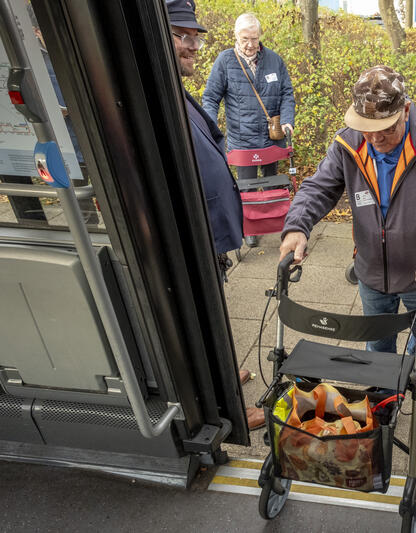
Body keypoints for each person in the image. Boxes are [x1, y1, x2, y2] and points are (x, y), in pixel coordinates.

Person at [279, 65, 416, 383]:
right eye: (367, 129)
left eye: (386, 128)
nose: (375, 138)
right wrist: (297, 226)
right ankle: (381, 380)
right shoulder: (348, 143)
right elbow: (318, 188)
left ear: (406, 110)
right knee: (377, 340)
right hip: (371, 268)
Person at [166, 0, 262, 429]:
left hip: (207, 234)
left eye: (196, 37)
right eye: (182, 35)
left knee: (215, 309)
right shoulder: (152, 91)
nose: (193, 46)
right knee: (197, 321)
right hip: (185, 236)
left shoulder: (171, 86)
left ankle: (222, 375)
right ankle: (223, 409)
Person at [202, 13, 296, 247]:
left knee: (273, 183)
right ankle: (250, 226)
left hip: (272, 137)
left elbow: (287, 93)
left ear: (260, 36)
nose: (250, 44)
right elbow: (211, 98)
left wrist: (287, 120)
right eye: (245, 38)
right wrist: (210, 127)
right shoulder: (224, 61)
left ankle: (275, 221)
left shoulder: (274, 60)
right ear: (236, 36)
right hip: (242, 139)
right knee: (246, 188)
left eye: (254, 38)